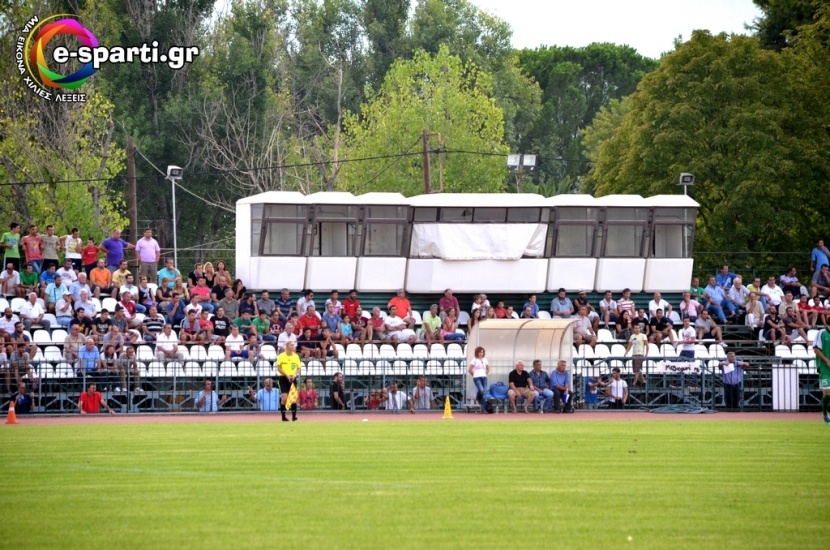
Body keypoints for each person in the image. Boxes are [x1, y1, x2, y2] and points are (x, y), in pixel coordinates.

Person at [277, 340, 302, 421]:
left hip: (292, 378)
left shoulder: (296, 356)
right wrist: (286, 375)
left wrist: (294, 375)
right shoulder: (281, 356)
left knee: (293, 398)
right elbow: (279, 368)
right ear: (287, 346)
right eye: (291, 345)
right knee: (284, 398)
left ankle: (294, 416)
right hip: (283, 378)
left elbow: (298, 368)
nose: (293, 346)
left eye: (293, 345)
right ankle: (283, 417)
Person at [813, 325, 830, 424]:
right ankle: (824, 414)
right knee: (828, 392)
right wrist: (826, 360)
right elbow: (816, 349)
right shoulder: (821, 333)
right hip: (825, 369)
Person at [624, 322, 648, 387]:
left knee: (637, 369)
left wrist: (646, 354)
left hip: (640, 354)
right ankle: (643, 381)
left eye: (638, 328)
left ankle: (634, 383)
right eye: (635, 328)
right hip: (634, 354)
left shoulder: (643, 335)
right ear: (633, 329)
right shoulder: (632, 336)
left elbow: (647, 345)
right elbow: (630, 345)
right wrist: (626, 352)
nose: (637, 329)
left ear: (640, 329)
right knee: (636, 369)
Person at [468, 346, 490, 413]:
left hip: (484, 377)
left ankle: (483, 409)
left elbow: (488, 368)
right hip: (477, 377)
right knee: (481, 390)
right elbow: (470, 369)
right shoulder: (474, 360)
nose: (481, 353)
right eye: (480, 352)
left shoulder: (485, 360)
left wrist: (485, 373)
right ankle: (478, 397)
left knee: (484, 392)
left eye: (482, 352)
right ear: (477, 353)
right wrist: (474, 375)